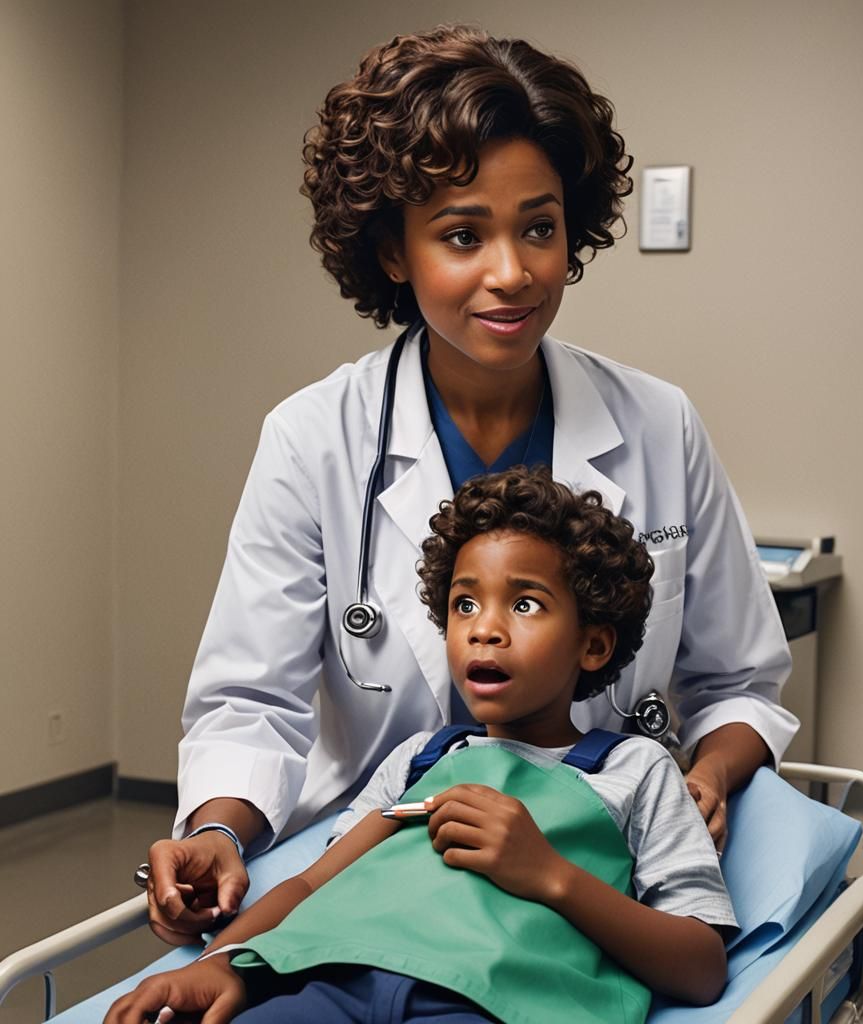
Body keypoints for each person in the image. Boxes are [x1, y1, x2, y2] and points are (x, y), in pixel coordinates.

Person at [146, 23, 796, 946]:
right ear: (392, 252)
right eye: (462, 235)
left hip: (582, 862)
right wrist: (217, 827)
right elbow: (252, 702)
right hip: (375, 855)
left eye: (539, 226)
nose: (513, 273)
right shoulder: (314, 438)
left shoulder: (658, 424)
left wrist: (708, 776)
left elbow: (739, 679)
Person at [107, 469, 735, 1024]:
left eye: (524, 603)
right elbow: (314, 885)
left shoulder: (634, 769)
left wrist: (549, 874)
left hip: (489, 1002)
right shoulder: (421, 759)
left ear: (593, 645)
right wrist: (222, 963)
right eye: (465, 603)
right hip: (332, 982)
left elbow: (702, 967)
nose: (485, 629)